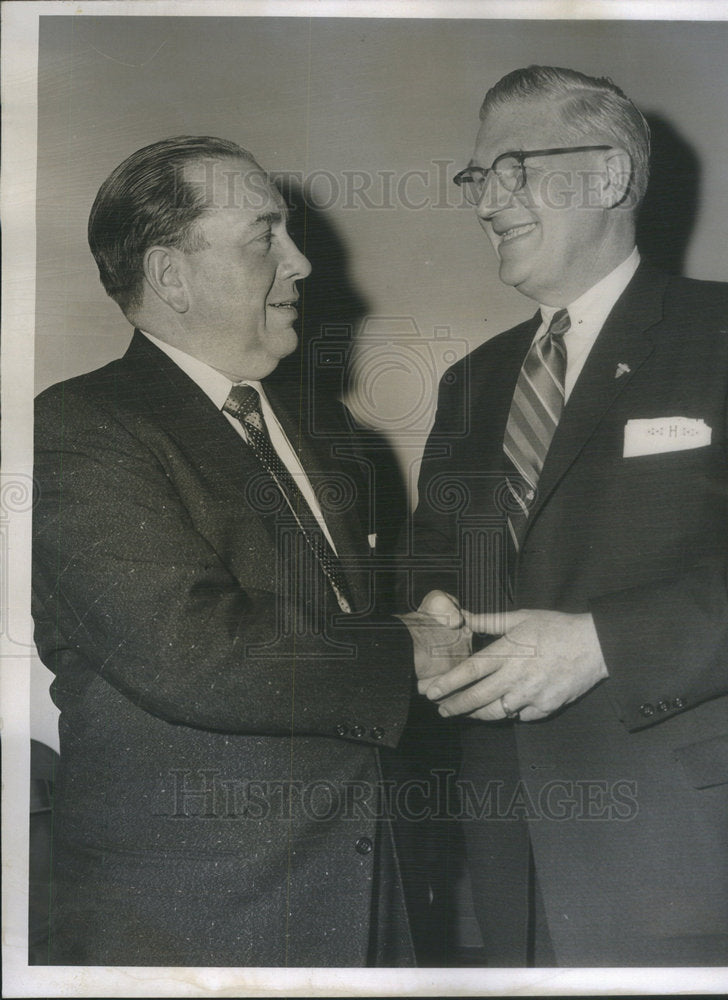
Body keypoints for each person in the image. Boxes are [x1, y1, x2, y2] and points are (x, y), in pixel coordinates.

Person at [31, 135, 470, 967]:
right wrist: (408, 647)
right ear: (171, 275)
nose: (301, 263)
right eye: (265, 236)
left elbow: (343, 628)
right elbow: (191, 651)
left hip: (369, 897)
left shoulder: (333, 437)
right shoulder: (81, 430)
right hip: (195, 921)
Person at [409, 66, 728, 966]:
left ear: (608, 177)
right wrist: (430, 624)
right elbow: (429, 572)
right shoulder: (472, 384)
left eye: (514, 168)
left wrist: (604, 642)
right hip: (502, 846)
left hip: (686, 841)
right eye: (477, 179)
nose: (488, 201)